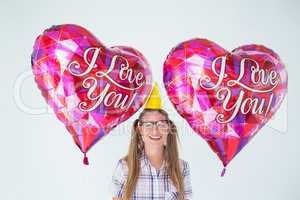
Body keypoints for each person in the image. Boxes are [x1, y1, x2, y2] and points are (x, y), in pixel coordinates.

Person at [111, 83, 193, 200]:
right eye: (148, 125)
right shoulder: (125, 167)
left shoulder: (181, 168)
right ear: (140, 129)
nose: (155, 130)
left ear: (168, 127)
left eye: (161, 124)